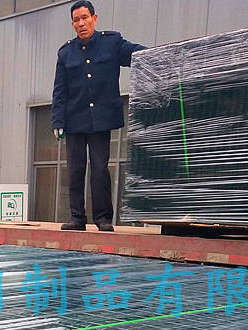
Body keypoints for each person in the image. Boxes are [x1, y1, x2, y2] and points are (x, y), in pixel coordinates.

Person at [51, 1, 146, 231]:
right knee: (75, 170)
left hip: (101, 120)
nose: (81, 23)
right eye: (76, 20)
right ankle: (77, 218)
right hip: (74, 120)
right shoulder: (65, 53)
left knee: (100, 168)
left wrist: (160, 56)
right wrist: (57, 121)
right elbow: (59, 90)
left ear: (94, 18)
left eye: (85, 18)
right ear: (72, 24)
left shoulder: (111, 43)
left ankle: (103, 218)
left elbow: (138, 55)